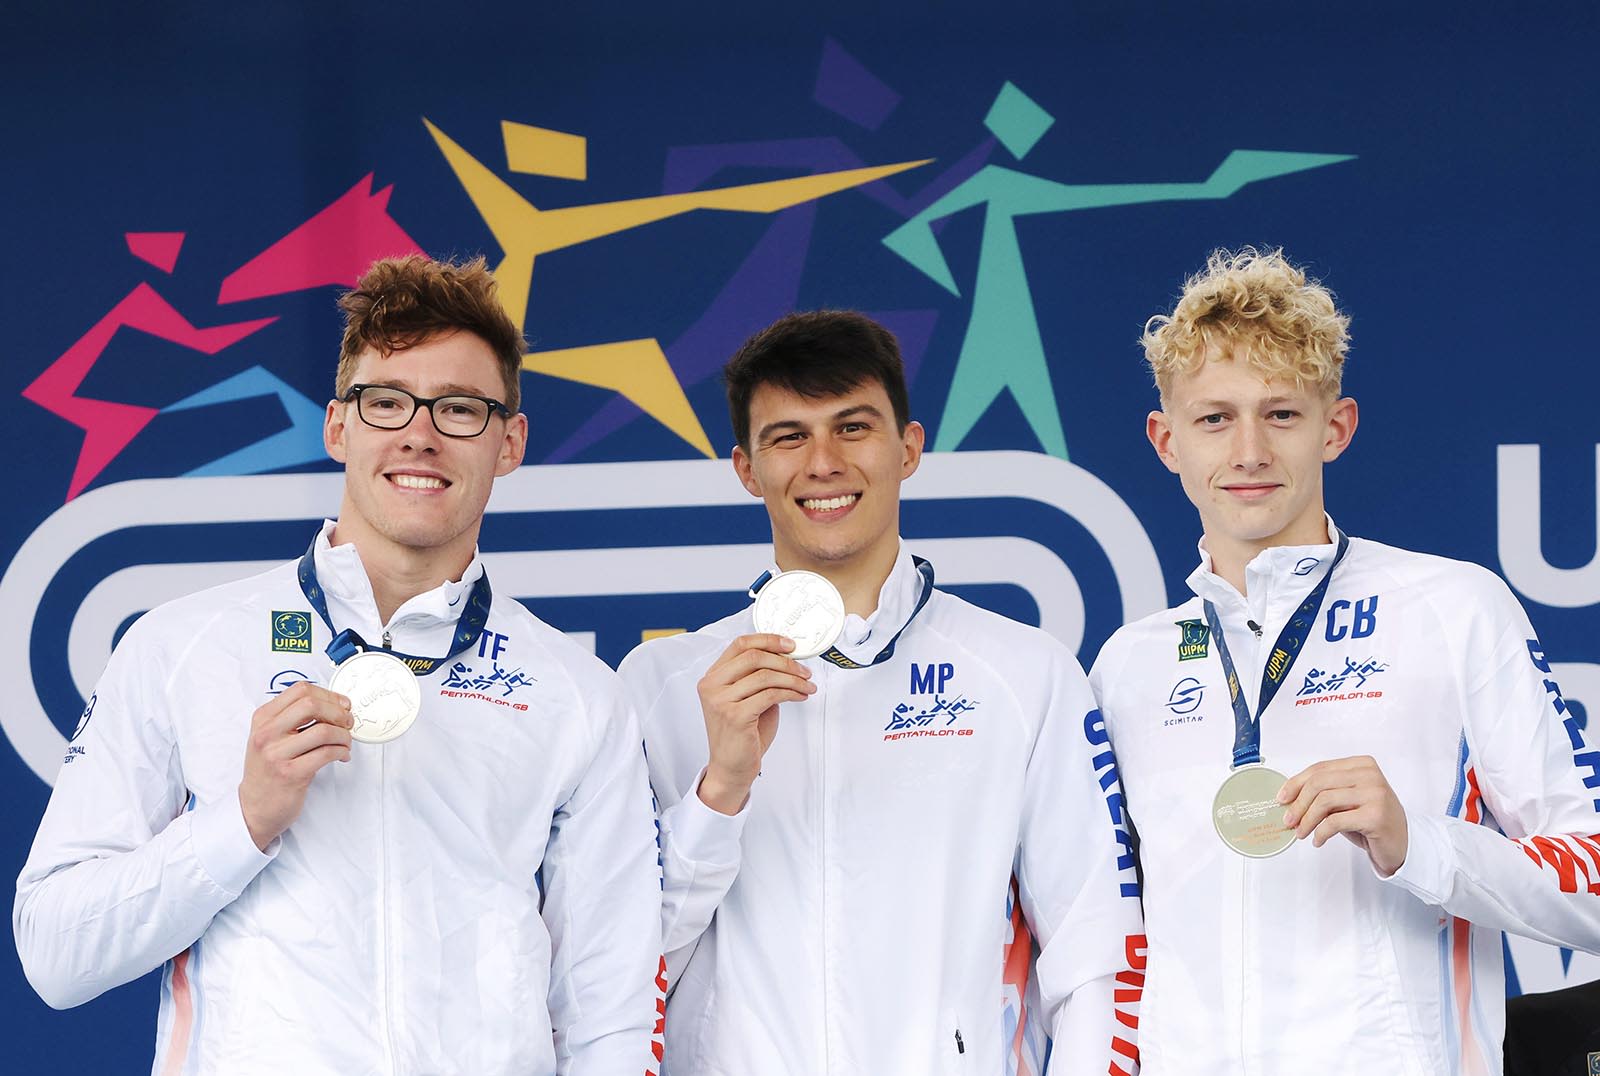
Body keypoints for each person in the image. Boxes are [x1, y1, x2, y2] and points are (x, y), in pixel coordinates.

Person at [13, 255, 663, 1076]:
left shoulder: (577, 693)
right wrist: (241, 822)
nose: (418, 434)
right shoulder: (179, 646)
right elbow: (55, 955)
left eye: (460, 408)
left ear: (511, 442)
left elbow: (611, 1003)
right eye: (387, 401)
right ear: (337, 426)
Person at [1090, 247, 1600, 1074]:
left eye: (1281, 414)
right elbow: (1114, 946)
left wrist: (1419, 843)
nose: (1248, 451)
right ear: (1166, 440)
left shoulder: (1453, 608)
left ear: (1337, 427)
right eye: (1214, 418)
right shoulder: (1127, 668)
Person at [619, 310, 1146, 1075]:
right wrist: (719, 791)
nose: (823, 462)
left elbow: (1097, 955)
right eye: (789, 436)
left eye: (852, 427)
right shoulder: (663, 688)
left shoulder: (1024, 673)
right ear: (745, 468)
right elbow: (615, 966)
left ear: (908, 448)